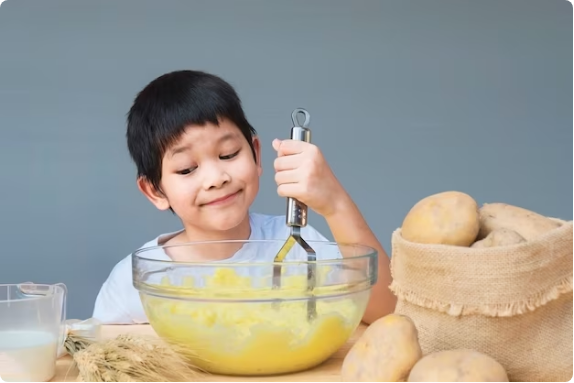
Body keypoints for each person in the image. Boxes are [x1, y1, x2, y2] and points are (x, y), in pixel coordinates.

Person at [92, 69, 396, 325]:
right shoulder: (139, 279)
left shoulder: (294, 248)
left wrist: (335, 204)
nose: (216, 178)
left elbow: (387, 310)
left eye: (228, 154)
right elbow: (102, 359)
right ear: (155, 191)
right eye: (186, 169)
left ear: (256, 153)